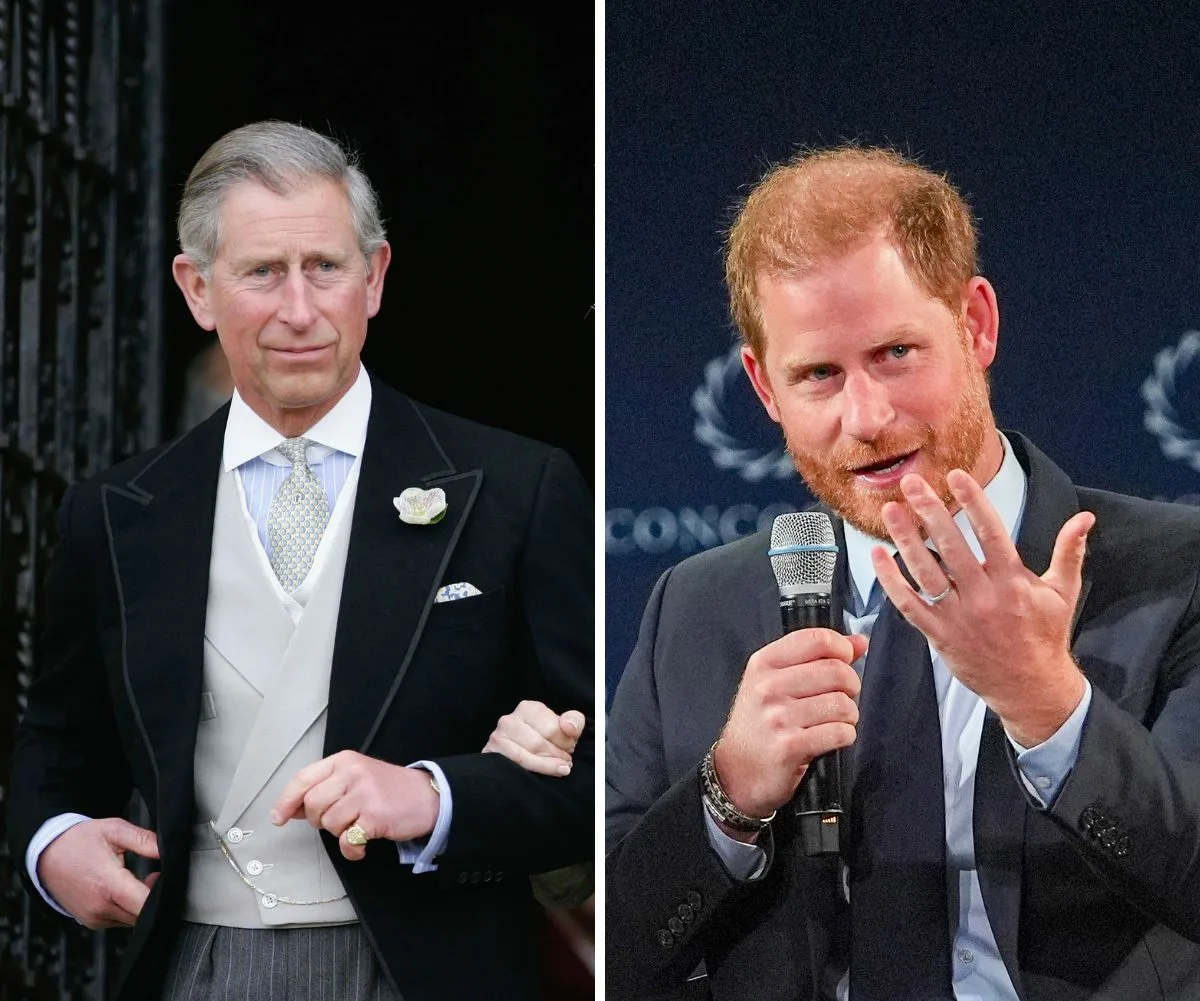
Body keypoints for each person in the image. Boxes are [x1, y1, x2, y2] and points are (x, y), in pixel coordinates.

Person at [6, 120, 594, 1001]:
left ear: (377, 278)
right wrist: (51, 842)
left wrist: (437, 796)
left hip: (430, 966)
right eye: (260, 273)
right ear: (197, 289)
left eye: (324, 267)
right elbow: (59, 739)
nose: (298, 309)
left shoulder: (518, 488)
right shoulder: (117, 513)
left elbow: (603, 774)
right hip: (196, 966)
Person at [605, 146, 1200, 1000]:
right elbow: (619, 956)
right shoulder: (696, 608)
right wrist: (727, 792)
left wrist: (1046, 704)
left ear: (977, 325)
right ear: (764, 389)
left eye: (895, 353)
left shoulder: (1176, 570)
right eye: (819, 374)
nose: (869, 419)